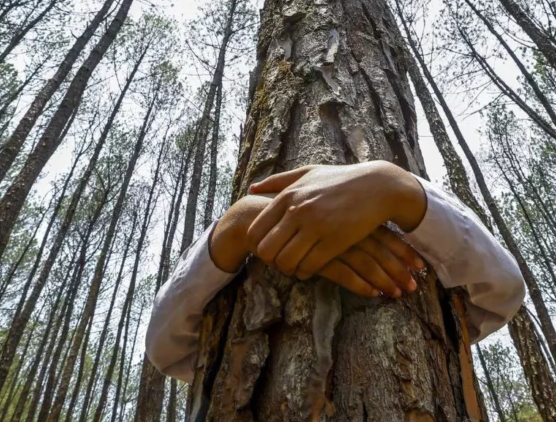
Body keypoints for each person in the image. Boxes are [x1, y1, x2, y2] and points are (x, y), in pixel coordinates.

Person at [146, 161, 525, 381]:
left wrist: (396, 188)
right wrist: (234, 227)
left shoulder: (420, 210)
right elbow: (166, 349)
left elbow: (501, 290)